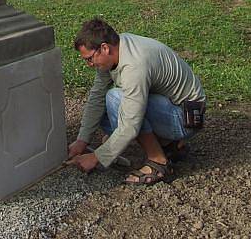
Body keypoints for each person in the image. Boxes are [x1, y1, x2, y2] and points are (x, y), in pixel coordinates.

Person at [67, 18, 206, 185]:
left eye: (89, 59)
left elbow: (131, 124)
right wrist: (82, 140)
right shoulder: (116, 50)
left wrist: (97, 157)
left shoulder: (134, 65)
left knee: (116, 99)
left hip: (187, 118)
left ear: (104, 48)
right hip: (174, 108)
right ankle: (170, 145)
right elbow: (96, 97)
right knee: (105, 103)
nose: (89, 64)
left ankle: (158, 162)